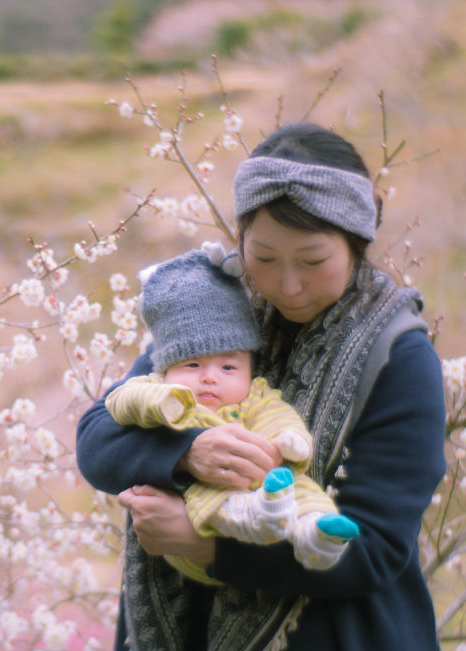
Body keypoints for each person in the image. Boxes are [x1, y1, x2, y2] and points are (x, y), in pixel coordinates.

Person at [76, 123, 447, 651]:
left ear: (357, 244)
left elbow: (377, 551)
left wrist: (206, 546)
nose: (287, 285)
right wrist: (185, 454)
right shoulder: (214, 309)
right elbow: (98, 435)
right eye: (265, 258)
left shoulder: (399, 356)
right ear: (241, 239)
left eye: (314, 261)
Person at [104, 245, 360, 586]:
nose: (210, 376)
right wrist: (163, 403)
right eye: (192, 365)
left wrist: (287, 441)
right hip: (198, 523)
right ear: (165, 368)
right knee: (209, 493)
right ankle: (255, 516)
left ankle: (316, 533)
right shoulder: (157, 388)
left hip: (267, 488)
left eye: (228, 366)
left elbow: (276, 415)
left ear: (249, 367)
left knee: (302, 486)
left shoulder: (254, 396)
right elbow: (120, 401)